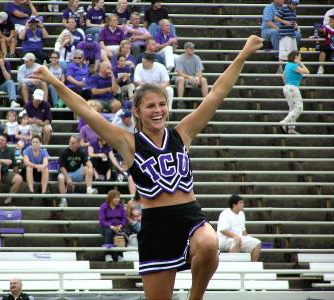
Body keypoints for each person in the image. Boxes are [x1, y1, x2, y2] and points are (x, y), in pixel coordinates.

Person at [30, 34, 263, 300]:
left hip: (189, 216)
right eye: (150, 106)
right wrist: (53, 80)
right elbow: (86, 110)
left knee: (210, 244)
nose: (158, 110)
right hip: (156, 226)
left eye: (162, 104)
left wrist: (242, 55)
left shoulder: (182, 133)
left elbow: (217, 94)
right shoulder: (128, 142)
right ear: (137, 112)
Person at [217, 194, 262, 262]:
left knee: (257, 243)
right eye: (240, 203)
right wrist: (235, 236)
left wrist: (248, 238)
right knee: (237, 240)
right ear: (234, 204)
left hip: (239, 238)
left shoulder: (242, 214)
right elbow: (222, 230)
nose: (243, 204)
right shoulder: (225, 213)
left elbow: (243, 231)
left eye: (243, 202)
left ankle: (253, 266)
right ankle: (233, 266)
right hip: (224, 240)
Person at [58, 135, 97, 206]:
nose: (70, 144)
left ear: (77, 144)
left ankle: (89, 189)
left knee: (87, 168)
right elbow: (62, 168)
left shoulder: (81, 152)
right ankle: (63, 200)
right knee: (60, 177)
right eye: (70, 142)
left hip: (77, 174)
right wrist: (67, 178)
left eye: (73, 143)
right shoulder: (64, 152)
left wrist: (91, 168)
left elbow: (88, 162)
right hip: (66, 173)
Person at [279, 50, 309, 134]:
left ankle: (291, 128)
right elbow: (307, 72)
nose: (301, 58)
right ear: (296, 57)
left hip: (287, 87)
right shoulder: (293, 65)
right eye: (300, 56)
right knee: (299, 108)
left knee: (292, 108)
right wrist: (300, 63)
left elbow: (283, 76)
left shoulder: (288, 65)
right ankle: (284, 122)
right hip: (293, 87)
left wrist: (287, 83)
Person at [99, 189, 127, 262]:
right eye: (115, 198)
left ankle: (120, 255)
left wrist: (121, 225)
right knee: (109, 232)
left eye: (118, 197)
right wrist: (111, 226)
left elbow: (124, 219)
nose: (118, 199)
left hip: (118, 226)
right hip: (106, 227)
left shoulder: (121, 207)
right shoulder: (104, 206)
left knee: (122, 233)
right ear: (110, 198)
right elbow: (102, 221)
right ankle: (108, 254)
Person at [274, 0, 299, 73]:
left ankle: (291, 69)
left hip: (292, 34)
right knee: (284, 53)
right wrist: (284, 22)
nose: (295, 5)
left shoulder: (294, 11)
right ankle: (281, 69)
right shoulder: (284, 9)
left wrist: (295, 25)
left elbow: (293, 20)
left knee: (293, 52)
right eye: (294, 4)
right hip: (284, 34)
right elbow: (276, 17)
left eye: (296, 4)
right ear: (290, 3)